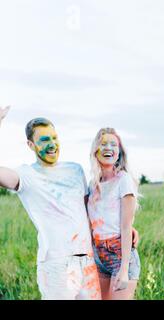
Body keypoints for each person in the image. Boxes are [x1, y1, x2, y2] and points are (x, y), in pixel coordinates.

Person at [0, 106, 139, 300]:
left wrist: (123, 229)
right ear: (31, 145)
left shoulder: (75, 171)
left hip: (90, 262)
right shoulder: (26, 175)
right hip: (57, 265)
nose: (52, 144)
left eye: (54, 138)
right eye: (44, 140)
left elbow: (88, 210)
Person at [87, 128, 140, 300]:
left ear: (119, 152)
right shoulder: (92, 185)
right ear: (96, 149)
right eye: (103, 144)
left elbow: (126, 227)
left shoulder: (123, 180)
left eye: (113, 144)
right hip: (98, 254)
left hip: (120, 256)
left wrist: (124, 269)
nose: (108, 148)